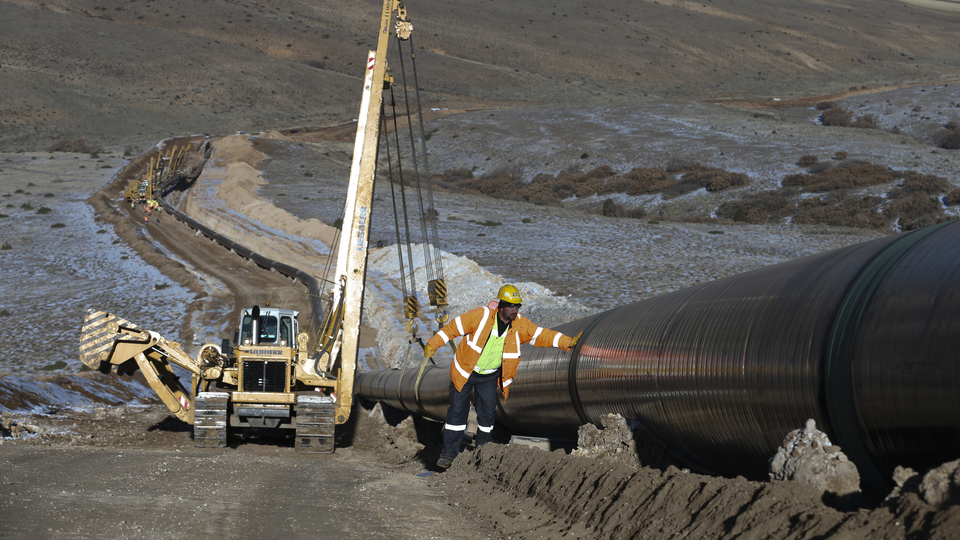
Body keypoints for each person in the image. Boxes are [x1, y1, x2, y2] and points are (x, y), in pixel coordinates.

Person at [424, 284, 581, 469]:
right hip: (465, 371)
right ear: (502, 306)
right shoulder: (480, 316)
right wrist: (433, 344)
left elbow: (541, 335)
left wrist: (567, 342)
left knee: (487, 416)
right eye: (512, 306)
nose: (515, 310)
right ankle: (448, 454)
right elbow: (453, 328)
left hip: (489, 376)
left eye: (518, 306)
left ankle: (483, 453)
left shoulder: (520, 325)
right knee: (457, 414)